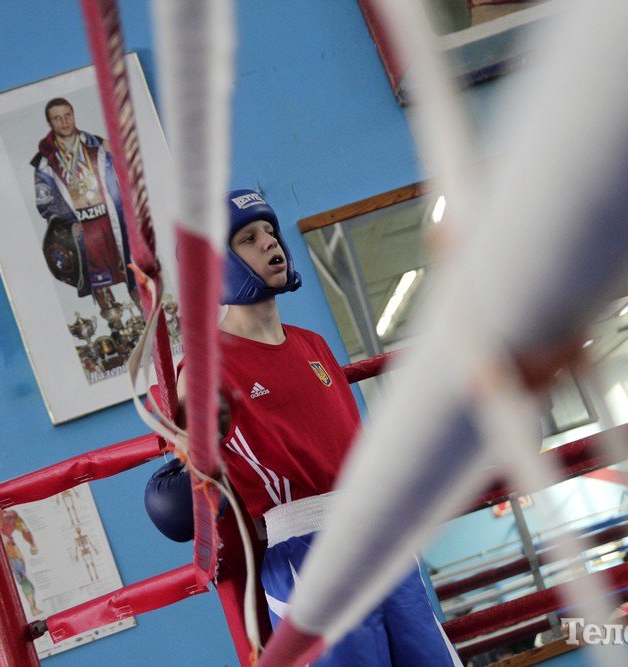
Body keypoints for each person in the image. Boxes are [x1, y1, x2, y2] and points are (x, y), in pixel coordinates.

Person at [146, 190, 461, 665]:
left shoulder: (312, 344)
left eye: (269, 231)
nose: (270, 242)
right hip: (304, 550)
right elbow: (191, 475)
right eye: (248, 238)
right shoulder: (205, 368)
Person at [31, 97, 138, 331]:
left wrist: (117, 153)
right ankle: (119, 331)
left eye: (67, 115)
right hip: (84, 229)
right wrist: (66, 224)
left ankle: (155, 324)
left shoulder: (98, 145)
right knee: (100, 285)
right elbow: (45, 201)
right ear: (50, 123)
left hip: (112, 220)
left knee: (133, 274)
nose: (64, 121)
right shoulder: (45, 161)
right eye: (57, 118)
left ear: (73, 115)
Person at [0, 507, 44, 616]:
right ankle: (32, 608)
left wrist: (32, 544)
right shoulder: (6, 515)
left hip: (11, 553)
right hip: (4, 552)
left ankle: (32, 608)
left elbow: (25, 530)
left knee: (23, 580)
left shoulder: (11, 516)